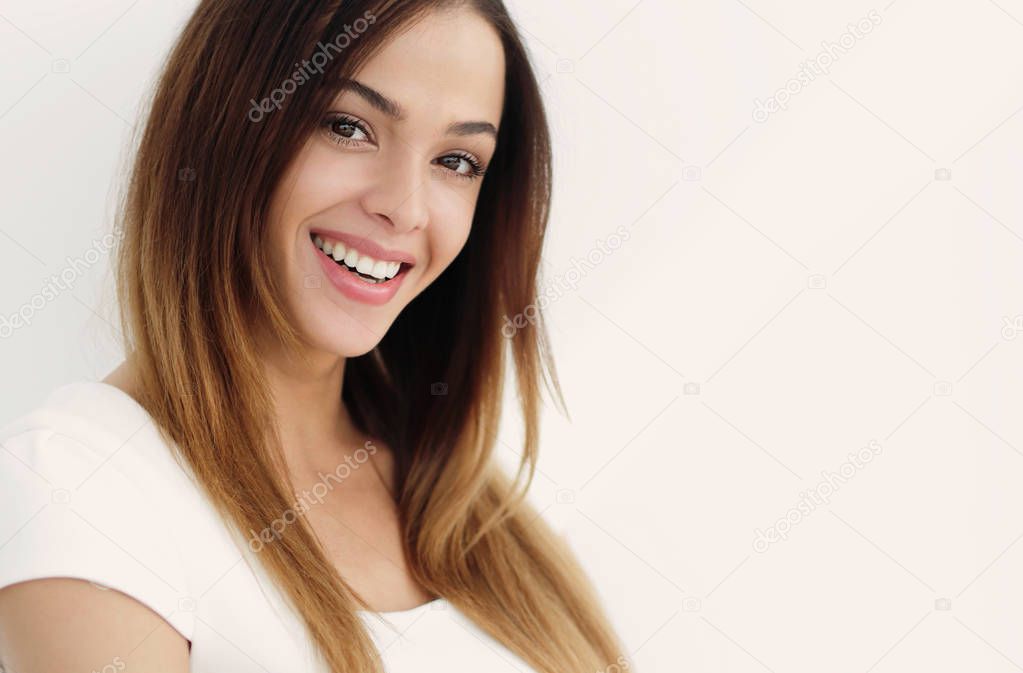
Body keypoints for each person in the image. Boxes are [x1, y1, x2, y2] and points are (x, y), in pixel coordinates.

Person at [0, 1, 627, 671]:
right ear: (220, 128)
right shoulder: (80, 483)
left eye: (456, 160)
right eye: (348, 126)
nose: (406, 207)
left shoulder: (464, 496)